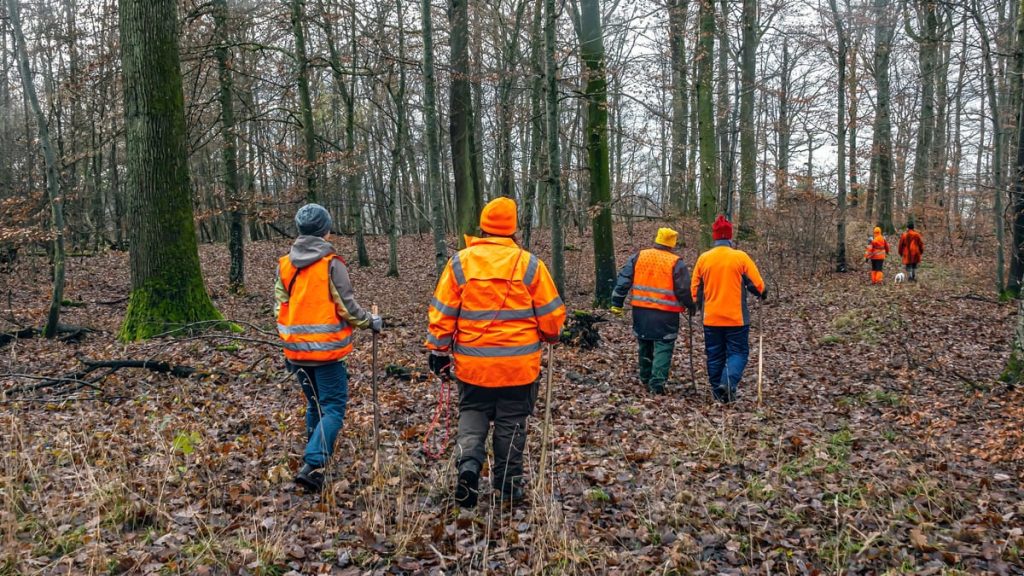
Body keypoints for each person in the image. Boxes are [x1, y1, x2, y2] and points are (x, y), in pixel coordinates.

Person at [425, 197, 566, 508]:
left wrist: (437, 350)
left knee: (472, 414)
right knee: (511, 422)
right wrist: (551, 335)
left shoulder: (460, 263)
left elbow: (442, 312)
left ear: (483, 226)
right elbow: (553, 316)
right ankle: (508, 487)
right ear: (513, 229)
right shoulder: (530, 265)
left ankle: (469, 468)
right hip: (518, 367)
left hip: (473, 366)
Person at [275, 203, 383, 493]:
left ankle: (315, 457)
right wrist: (370, 321)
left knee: (314, 405)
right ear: (326, 230)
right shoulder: (332, 263)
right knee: (333, 407)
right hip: (327, 353)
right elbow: (346, 307)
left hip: (296, 352)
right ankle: (314, 463)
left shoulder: (285, 264)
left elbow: (279, 304)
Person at [609, 227, 696, 395]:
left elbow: (623, 280)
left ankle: (645, 377)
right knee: (664, 345)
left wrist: (617, 302)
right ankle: (657, 383)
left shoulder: (639, 256)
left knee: (644, 342)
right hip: (666, 313)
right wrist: (690, 305)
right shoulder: (675, 262)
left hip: (641, 311)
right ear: (672, 244)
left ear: (657, 240)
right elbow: (684, 289)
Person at [690, 215, 765, 403]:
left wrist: (696, 306)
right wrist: (762, 293)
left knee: (715, 355)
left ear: (715, 237)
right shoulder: (740, 257)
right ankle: (728, 383)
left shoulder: (704, 259)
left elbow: (694, 289)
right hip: (736, 318)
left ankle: (719, 394)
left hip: (711, 318)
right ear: (730, 237)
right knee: (738, 353)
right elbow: (758, 286)